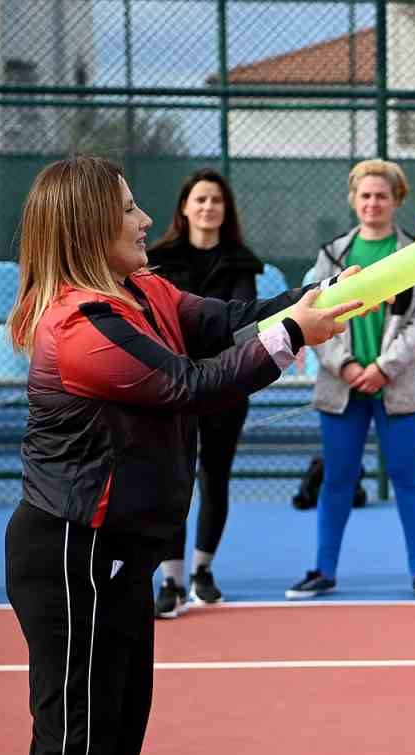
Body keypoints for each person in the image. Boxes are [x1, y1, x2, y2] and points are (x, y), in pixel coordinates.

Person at [0, 155, 361, 755]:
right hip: (69, 554)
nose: (140, 219)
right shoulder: (79, 324)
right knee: (73, 739)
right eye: (127, 208)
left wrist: (322, 301)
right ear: (91, 226)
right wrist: (297, 335)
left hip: (122, 550)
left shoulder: (147, 292)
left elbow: (231, 317)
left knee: (122, 719)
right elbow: (190, 386)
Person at [287, 159, 415, 601]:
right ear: (354, 200)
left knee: (407, 476)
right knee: (338, 477)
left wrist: (382, 368)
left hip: (398, 385)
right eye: (365, 195)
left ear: (396, 201)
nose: (373, 202)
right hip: (343, 385)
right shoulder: (333, 255)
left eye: (382, 195)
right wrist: (348, 366)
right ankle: (323, 570)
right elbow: (311, 314)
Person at [147, 168, 266, 616]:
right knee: (172, 482)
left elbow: (238, 323)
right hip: (172, 384)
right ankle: (171, 579)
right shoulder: (159, 260)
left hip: (225, 386)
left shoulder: (242, 261)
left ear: (225, 209)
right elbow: (161, 321)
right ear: (184, 207)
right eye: (200, 199)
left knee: (215, 478)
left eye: (215, 200)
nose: (207, 207)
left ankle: (202, 571)